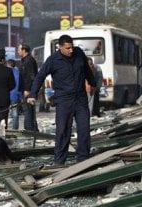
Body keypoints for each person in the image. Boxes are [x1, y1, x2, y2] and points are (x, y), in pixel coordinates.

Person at [27, 35, 96, 165]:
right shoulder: (53, 60)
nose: (71, 50)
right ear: (60, 47)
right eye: (67, 48)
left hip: (80, 98)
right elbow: (40, 76)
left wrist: (92, 83)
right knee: (63, 131)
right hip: (64, 100)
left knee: (84, 129)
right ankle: (59, 161)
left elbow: (86, 70)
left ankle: (83, 159)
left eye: (72, 47)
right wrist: (32, 94)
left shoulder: (79, 53)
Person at [18, 44, 39, 131]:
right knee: (28, 110)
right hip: (25, 89)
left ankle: (30, 130)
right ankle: (32, 129)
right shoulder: (24, 60)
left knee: (28, 110)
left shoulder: (29, 61)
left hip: (28, 90)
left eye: (19, 49)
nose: (18, 51)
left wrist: (27, 89)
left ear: (24, 50)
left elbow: (31, 76)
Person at [6, 59, 21, 130]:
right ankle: (15, 129)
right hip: (15, 95)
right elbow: (19, 85)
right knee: (15, 113)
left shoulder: (6, 72)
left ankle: (4, 128)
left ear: (8, 64)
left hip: (6, 95)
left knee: (4, 113)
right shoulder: (18, 73)